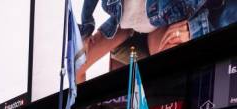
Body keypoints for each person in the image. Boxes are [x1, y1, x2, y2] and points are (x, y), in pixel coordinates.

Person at [77, 0, 223, 82]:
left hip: (164, 22)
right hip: (126, 23)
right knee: (78, 65)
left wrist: (194, 29)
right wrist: (86, 31)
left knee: (167, 60)